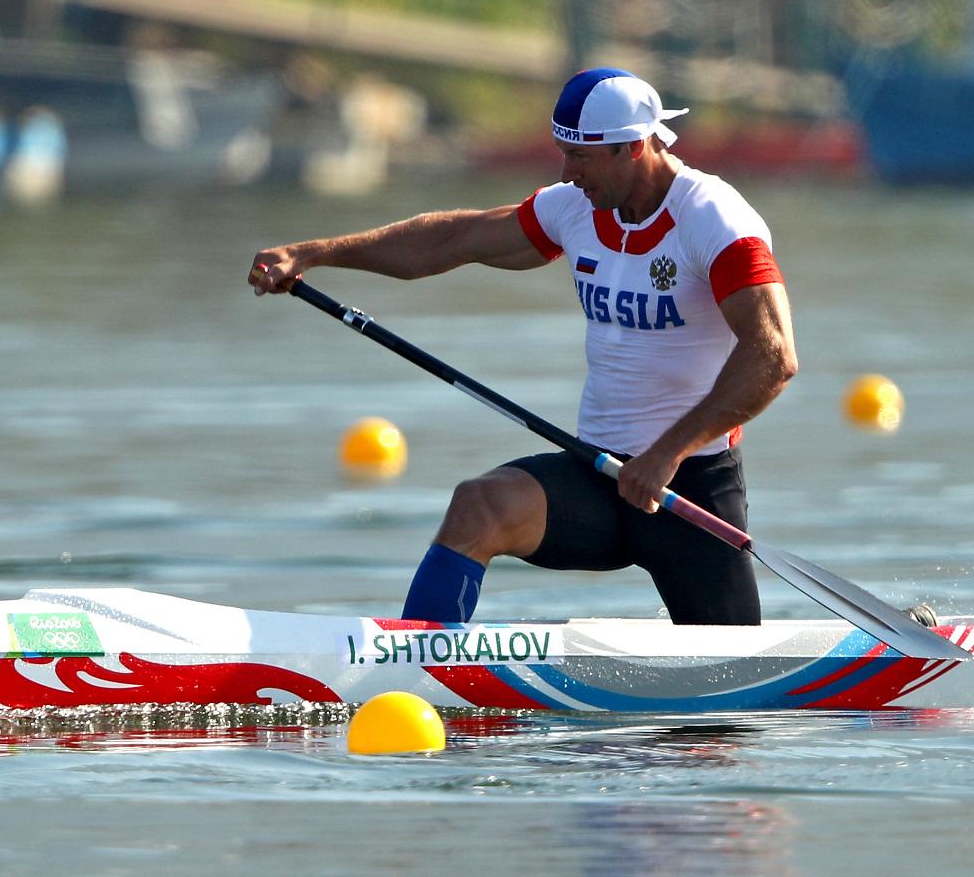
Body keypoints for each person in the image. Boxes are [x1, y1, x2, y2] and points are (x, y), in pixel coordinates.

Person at [248, 67, 798, 626]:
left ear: (634, 146)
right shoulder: (574, 208)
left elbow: (773, 357)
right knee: (478, 506)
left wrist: (667, 454)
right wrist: (313, 253)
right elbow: (450, 239)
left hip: (690, 487)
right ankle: (419, 664)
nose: (567, 172)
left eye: (581, 157)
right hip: (600, 474)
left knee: (727, 692)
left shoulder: (714, 219)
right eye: (564, 152)